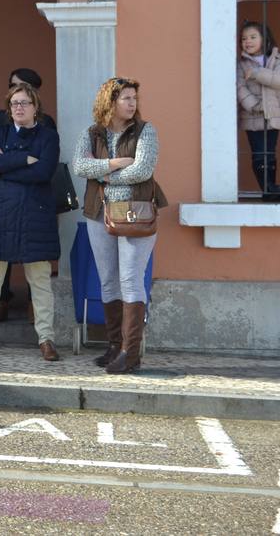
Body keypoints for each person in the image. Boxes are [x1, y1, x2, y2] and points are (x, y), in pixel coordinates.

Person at [72, 77, 165, 375]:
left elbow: (143, 169)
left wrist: (108, 177)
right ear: (109, 102)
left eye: (133, 98)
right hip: (98, 212)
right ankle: (114, 346)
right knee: (108, 280)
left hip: (135, 212)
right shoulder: (92, 133)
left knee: (130, 279)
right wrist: (113, 164)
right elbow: (80, 166)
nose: (131, 103)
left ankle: (131, 352)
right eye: (125, 98)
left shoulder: (145, 131)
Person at [0, 82, 61, 360]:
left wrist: (9, 164)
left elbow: (44, 172)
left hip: (36, 215)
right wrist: (25, 159)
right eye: (14, 103)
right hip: (1, 215)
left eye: (25, 103)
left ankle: (46, 339)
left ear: (35, 108)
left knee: (40, 281)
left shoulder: (48, 137)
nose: (19, 108)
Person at [238, 21, 280, 201]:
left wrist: (256, 73)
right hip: (253, 116)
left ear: (265, 40)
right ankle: (268, 188)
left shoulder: (278, 61)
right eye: (244, 38)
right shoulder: (241, 64)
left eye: (253, 37)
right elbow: (240, 88)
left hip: (273, 116)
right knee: (259, 152)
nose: (248, 41)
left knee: (270, 152)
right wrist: (254, 106)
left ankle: (271, 189)